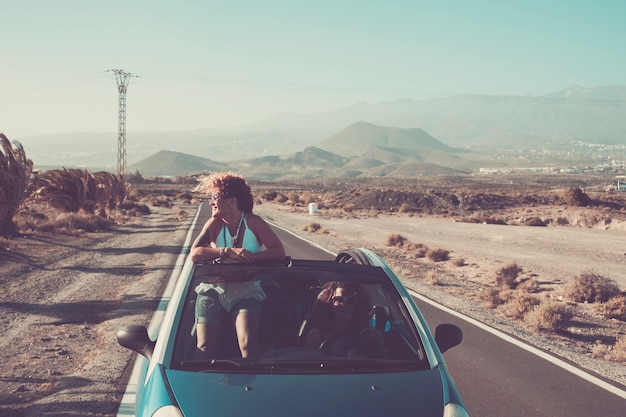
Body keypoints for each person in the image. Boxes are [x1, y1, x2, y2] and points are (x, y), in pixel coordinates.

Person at [190, 172, 285, 359]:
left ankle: (254, 384)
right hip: (213, 289)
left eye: (215, 197)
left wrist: (250, 258)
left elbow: (278, 251)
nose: (211, 202)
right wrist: (227, 251)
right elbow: (194, 254)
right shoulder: (214, 224)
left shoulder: (253, 222)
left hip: (246, 289)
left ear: (232, 200)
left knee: (248, 344)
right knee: (204, 348)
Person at [304, 281, 384, 357]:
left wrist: (378, 342)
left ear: (358, 303)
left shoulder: (365, 335)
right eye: (338, 300)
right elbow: (309, 367)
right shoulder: (316, 335)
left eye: (351, 300)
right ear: (328, 302)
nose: (345, 305)